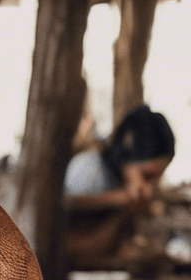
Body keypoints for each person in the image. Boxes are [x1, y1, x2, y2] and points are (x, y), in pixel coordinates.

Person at [64, 105, 175, 268]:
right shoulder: (88, 170)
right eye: (147, 176)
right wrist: (117, 199)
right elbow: (63, 209)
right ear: (126, 151)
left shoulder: (125, 185)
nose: (149, 188)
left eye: (156, 178)